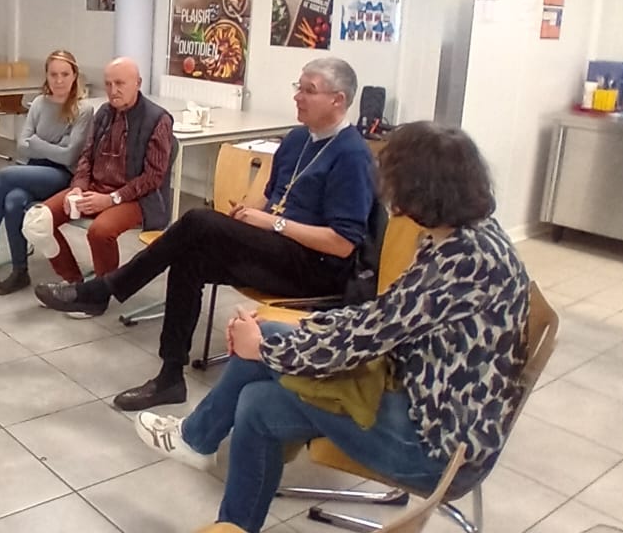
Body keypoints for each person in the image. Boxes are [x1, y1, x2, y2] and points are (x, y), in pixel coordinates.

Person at [131, 122, 530, 533]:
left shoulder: (462, 264)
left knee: (263, 373)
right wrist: (300, 327)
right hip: (425, 401)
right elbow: (383, 318)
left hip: (435, 444)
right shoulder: (468, 238)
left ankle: (203, 452)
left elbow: (369, 335)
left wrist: (264, 349)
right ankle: (217, 483)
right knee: (260, 387)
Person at [36, 58, 376, 411]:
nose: (297, 97)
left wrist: (270, 224)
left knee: (199, 220)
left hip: (315, 268)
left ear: (338, 100)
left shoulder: (352, 155)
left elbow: (342, 244)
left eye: (309, 90)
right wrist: (243, 218)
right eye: (298, 87)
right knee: (190, 257)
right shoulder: (297, 138)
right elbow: (268, 195)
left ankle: (103, 288)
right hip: (277, 250)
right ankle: (170, 377)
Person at [0, 50, 94, 293]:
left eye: (65, 74)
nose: (59, 80)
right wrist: (53, 146)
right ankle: (19, 272)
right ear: (46, 76)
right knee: (13, 200)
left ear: (74, 76)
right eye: (53, 74)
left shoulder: (83, 110)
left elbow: (69, 156)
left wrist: (37, 143)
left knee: (4, 176)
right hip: (33, 169)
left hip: (62, 175)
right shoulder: (39, 103)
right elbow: (22, 145)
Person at [41, 57, 169, 288]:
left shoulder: (158, 119)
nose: (113, 90)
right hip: (95, 188)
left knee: (99, 232)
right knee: (39, 221)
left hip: (136, 198)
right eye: (108, 84)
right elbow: (86, 156)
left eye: (120, 83)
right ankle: (74, 283)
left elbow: (153, 178)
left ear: (138, 83)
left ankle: (101, 293)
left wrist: (111, 199)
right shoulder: (104, 113)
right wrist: (78, 187)